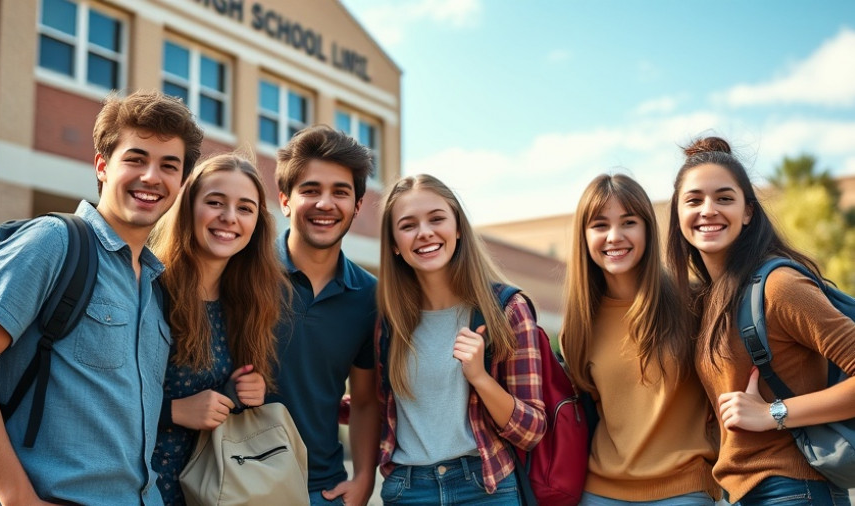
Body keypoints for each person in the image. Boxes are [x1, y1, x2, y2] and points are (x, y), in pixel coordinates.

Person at [0, 90, 203, 505]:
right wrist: (17, 496)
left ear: (180, 183)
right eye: (136, 159)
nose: (151, 177)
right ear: (102, 166)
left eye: (168, 166)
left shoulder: (155, 285)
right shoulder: (53, 242)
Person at [666, 136, 855, 505]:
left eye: (724, 198)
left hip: (794, 489)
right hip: (747, 492)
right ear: (677, 215)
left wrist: (773, 413)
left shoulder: (779, 286)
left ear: (748, 212)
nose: (708, 210)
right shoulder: (712, 298)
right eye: (694, 200)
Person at [375, 174, 546, 505]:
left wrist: (480, 378)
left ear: (457, 229)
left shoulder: (506, 309)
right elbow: (378, 408)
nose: (424, 232)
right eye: (408, 225)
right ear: (394, 244)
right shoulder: (390, 322)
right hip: (408, 491)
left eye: (436, 219)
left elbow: (532, 431)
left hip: (486, 488)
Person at [560, 174, 719, 505]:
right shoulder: (578, 326)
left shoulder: (695, 303)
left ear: (647, 229)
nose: (614, 236)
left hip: (685, 488)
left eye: (628, 222)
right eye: (600, 225)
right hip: (600, 491)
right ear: (584, 237)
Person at [149, 153, 289, 504]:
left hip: (215, 492)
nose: (229, 217)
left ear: (257, 223)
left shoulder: (249, 302)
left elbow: (213, 395)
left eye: (245, 208)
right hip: (140, 488)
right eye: (215, 202)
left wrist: (243, 392)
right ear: (188, 208)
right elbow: (99, 398)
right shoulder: (149, 289)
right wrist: (174, 411)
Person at [265, 125, 380, 506]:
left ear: (357, 206)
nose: (325, 204)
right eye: (311, 190)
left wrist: (364, 478)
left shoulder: (370, 296)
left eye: (340, 192)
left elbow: (364, 400)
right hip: (238, 480)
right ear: (285, 200)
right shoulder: (245, 273)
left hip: (325, 490)